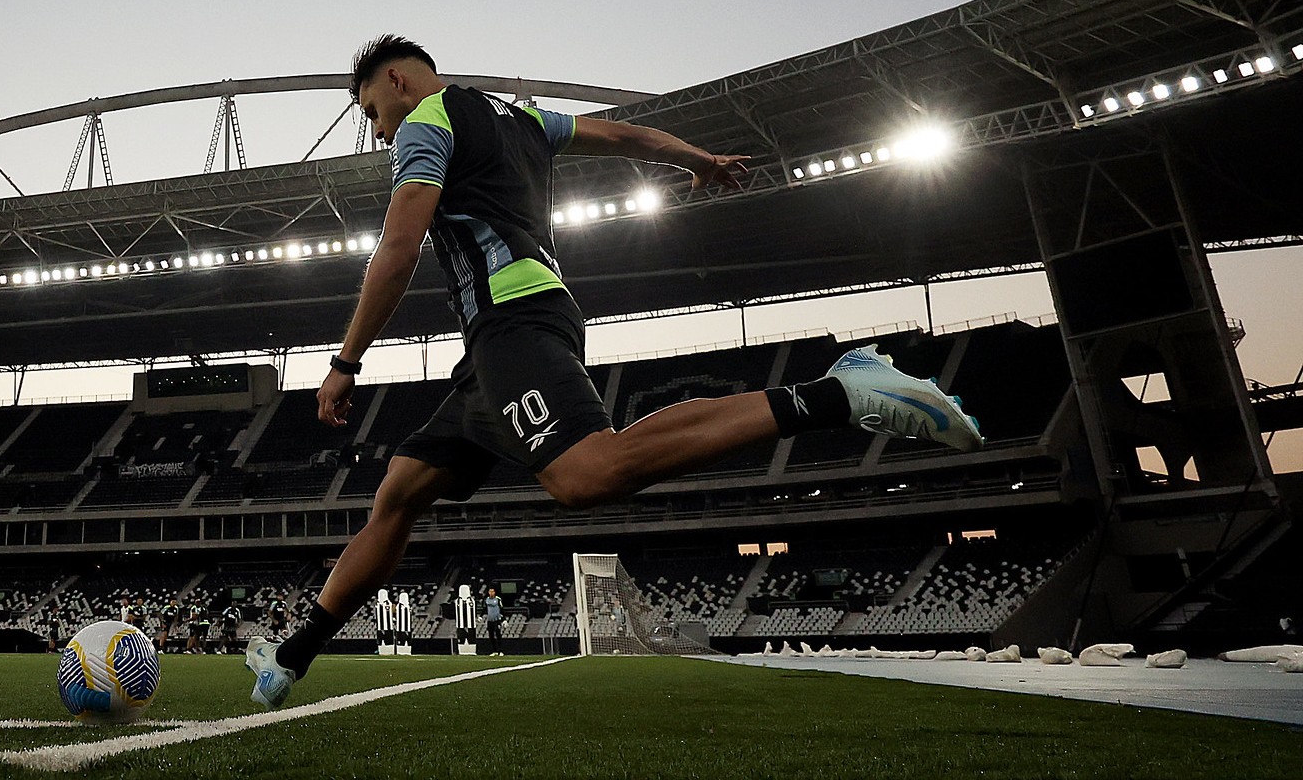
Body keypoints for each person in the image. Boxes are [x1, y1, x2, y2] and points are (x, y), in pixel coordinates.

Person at [245, 37, 983, 708]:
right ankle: (288, 659)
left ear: (398, 81)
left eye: (373, 112)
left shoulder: (425, 124)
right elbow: (624, 134)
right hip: (503, 343)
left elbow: (399, 248)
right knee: (398, 495)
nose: (378, 131)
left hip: (512, 322)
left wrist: (346, 362)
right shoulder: (522, 118)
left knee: (585, 476)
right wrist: (695, 159)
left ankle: (835, 392)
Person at [483, 587, 504, 656]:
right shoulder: (487, 599)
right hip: (490, 620)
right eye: (490, 591)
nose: (491, 593)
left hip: (497, 620)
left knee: (498, 635)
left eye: (492, 591)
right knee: (491, 636)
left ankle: (500, 651)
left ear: (495, 592)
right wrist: (481, 616)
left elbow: (502, 609)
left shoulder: (498, 599)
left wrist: (504, 619)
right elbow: (485, 609)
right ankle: (494, 651)